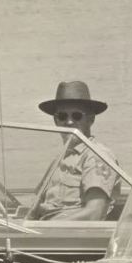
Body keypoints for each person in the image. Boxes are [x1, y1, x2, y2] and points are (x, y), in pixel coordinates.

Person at [32, 80, 121, 221]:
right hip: (46, 230)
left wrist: (48, 227)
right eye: (62, 116)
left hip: (74, 236)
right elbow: (34, 207)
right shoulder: (60, 159)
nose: (69, 122)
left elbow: (94, 213)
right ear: (55, 121)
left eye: (76, 116)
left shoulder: (98, 156)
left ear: (90, 120)